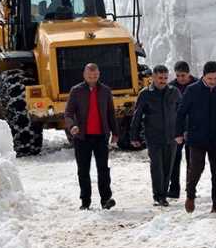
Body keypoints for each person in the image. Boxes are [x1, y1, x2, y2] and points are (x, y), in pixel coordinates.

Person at [175, 61, 216, 214]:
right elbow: (181, 113)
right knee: (196, 169)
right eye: (210, 79)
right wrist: (178, 133)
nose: (213, 82)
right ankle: (190, 195)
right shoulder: (192, 90)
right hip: (197, 137)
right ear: (203, 76)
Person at [64, 63, 119, 210]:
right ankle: (85, 202)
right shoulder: (76, 91)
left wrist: (115, 133)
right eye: (90, 75)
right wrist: (72, 126)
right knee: (83, 170)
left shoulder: (105, 91)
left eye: (95, 75)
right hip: (82, 137)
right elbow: (68, 113)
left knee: (103, 169)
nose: (92, 78)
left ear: (99, 74)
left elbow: (110, 114)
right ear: (84, 75)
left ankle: (106, 199)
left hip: (101, 136)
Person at [130, 65, 182, 207]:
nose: (163, 81)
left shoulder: (174, 92)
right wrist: (134, 136)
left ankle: (163, 195)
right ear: (153, 77)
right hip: (153, 136)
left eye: (165, 78)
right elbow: (137, 115)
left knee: (168, 166)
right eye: (160, 78)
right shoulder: (145, 94)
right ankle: (158, 195)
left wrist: (183, 131)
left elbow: (182, 113)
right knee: (156, 166)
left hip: (171, 136)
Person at [167, 60, 197, 199]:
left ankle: (190, 188)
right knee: (174, 160)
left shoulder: (197, 85)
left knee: (192, 161)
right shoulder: (171, 87)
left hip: (193, 128)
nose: (180, 78)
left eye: (183, 75)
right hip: (177, 129)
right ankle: (174, 189)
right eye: (178, 75)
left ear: (189, 74)